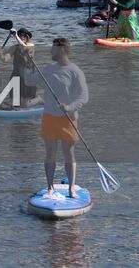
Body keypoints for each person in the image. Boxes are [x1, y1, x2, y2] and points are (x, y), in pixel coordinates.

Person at [24, 38, 89, 199]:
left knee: (69, 154)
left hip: (68, 118)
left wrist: (69, 107)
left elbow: (83, 97)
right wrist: (27, 63)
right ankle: (50, 188)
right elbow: (29, 80)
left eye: (53, 49)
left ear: (61, 50)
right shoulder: (48, 69)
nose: (50, 51)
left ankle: (71, 189)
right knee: (50, 154)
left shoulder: (75, 71)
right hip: (49, 117)